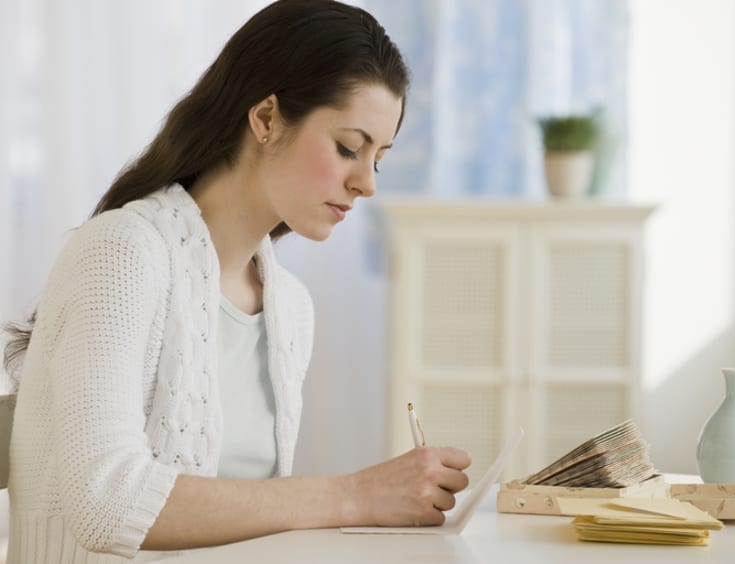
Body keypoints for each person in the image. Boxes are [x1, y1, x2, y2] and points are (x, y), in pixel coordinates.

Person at [3, 1, 471, 562]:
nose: (367, 183)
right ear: (267, 118)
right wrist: (353, 495)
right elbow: (106, 502)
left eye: (379, 158)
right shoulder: (122, 255)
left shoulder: (290, 308)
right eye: (349, 147)